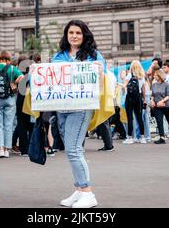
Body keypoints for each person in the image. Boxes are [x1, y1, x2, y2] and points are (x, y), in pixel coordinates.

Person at [51, 19, 106, 208]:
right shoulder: (59, 56)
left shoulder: (93, 55)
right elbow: (51, 78)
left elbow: (101, 80)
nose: (74, 36)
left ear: (85, 36)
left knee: (73, 150)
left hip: (81, 107)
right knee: (72, 150)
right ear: (66, 35)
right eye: (71, 33)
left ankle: (88, 193)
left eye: (78, 33)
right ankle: (79, 190)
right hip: (62, 108)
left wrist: (99, 72)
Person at [0, 50, 24, 158]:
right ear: (8, 59)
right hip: (10, 99)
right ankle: (7, 149)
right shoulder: (12, 68)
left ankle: (0, 149)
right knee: (9, 125)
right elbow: (21, 77)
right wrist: (14, 82)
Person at [123, 60, 147, 144]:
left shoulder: (129, 75)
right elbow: (143, 89)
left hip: (129, 98)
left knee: (130, 118)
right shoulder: (142, 76)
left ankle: (130, 138)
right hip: (139, 97)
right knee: (139, 118)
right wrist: (144, 99)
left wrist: (122, 85)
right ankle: (142, 137)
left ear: (132, 67)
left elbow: (124, 85)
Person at [150, 70, 169, 144]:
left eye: (155, 75)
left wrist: (162, 101)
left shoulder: (166, 84)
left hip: (167, 106)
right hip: (157, 106)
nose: (154, 76)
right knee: (159, 121)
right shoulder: (154, 85)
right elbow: (153, 95)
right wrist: (152, 101)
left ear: (159, 76)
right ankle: (162, 138)